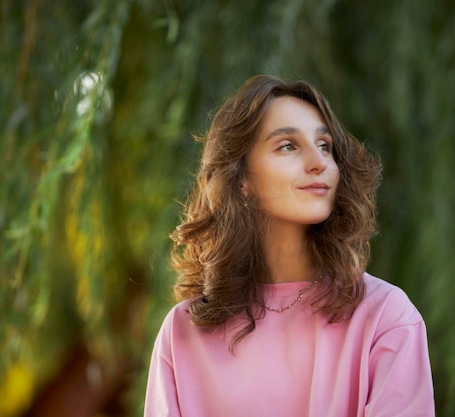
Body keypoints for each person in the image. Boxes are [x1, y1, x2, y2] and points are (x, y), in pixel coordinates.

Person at [144, 75, 434, 416]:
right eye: (288, 146)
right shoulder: (182, 333)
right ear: (242, 179)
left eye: (325, 145)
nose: (319, 162)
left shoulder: (385, 316)